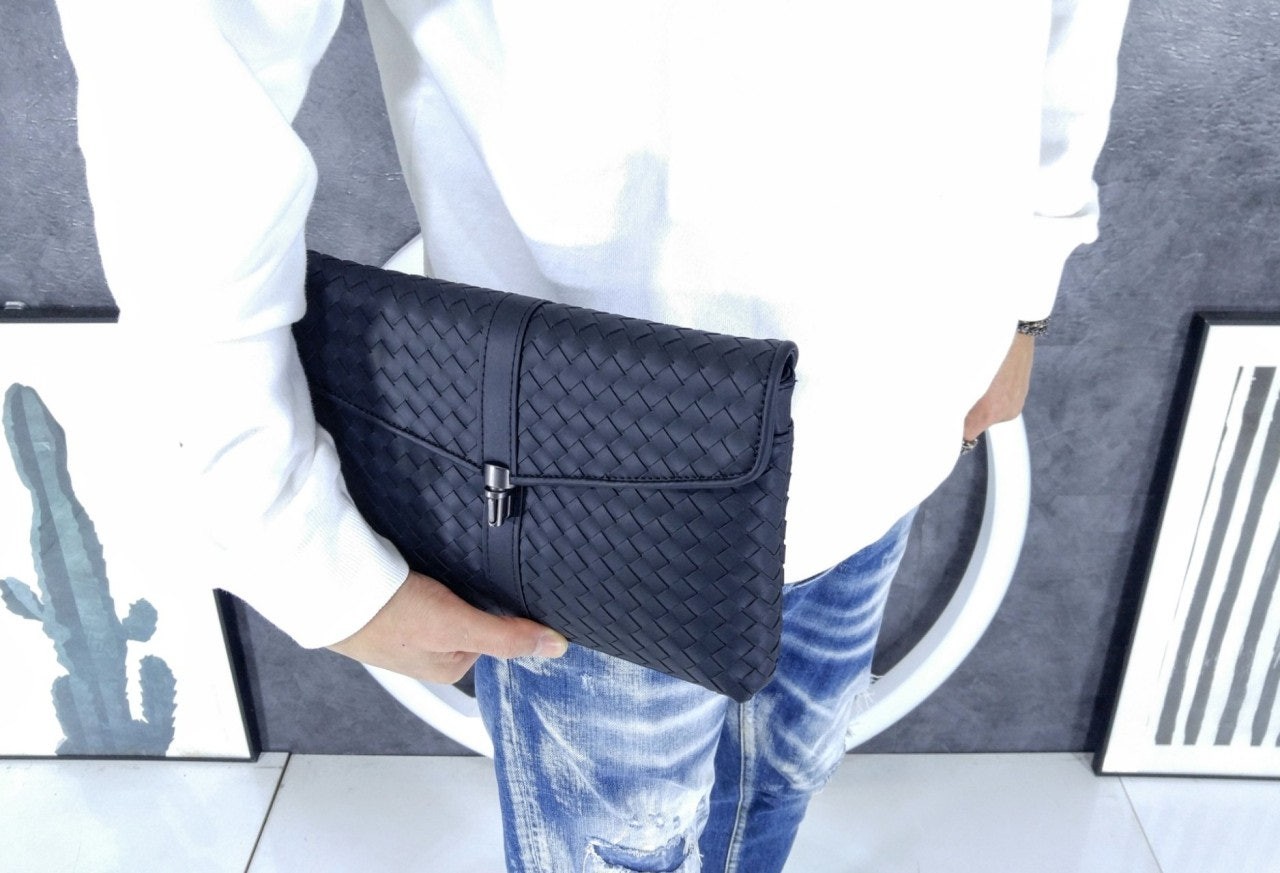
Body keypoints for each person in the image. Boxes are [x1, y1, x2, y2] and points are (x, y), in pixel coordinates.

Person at [52, 1, 1131, 870]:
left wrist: (1025, 285)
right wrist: (290, 539)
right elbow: (180, 80)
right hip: (597, 472)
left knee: (782, 782)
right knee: (618, 846)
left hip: (902, 401)